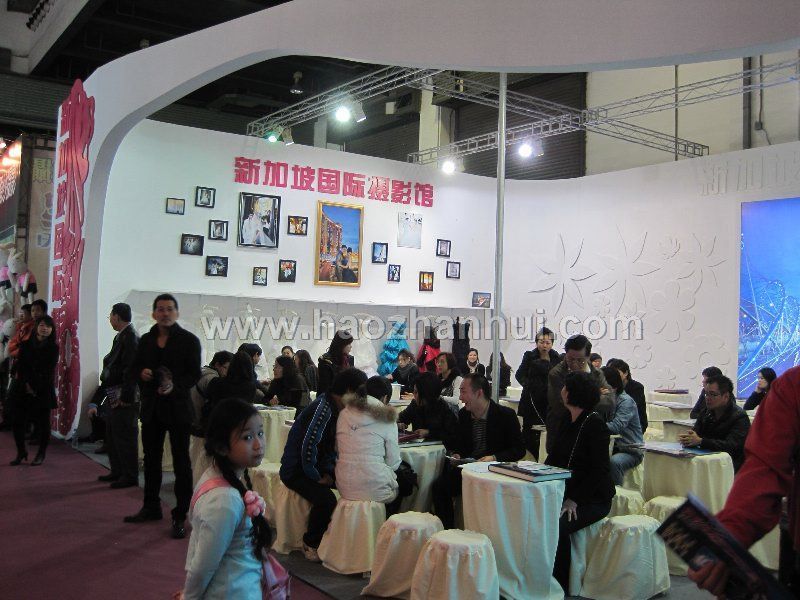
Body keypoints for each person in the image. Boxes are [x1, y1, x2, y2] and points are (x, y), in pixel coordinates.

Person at [689, 365, 800, 596]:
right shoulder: (791, 386)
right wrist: (729, 537)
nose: (708, 398)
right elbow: (765, 469)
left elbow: (762, 468)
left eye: (712, 394)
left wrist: (729, 536)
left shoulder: (788, 387)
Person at [124, 294, 202, 540]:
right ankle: (151, 506)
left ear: (177, 313)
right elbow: (134, 367)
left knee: (181, 463)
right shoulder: (146, 340)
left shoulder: (189, 341)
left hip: (178, 409)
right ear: (153, 314)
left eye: (169, 309)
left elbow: (194, 374)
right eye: (160, 309)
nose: (165, 313)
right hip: (152, 408)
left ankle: (180, 515)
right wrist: (142, 373)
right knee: (151, 460)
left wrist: (174, 386)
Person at [181, 398, 270, 599]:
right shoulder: (224, 501)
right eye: (247, 437)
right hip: (231, 591)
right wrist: (189, 596)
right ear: (221, 447)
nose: (259, 445)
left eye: (260, 433)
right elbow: (203, 566)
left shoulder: (217, 477)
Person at [279, 368, 367, 561]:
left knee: (356, 485)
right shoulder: (322, 409)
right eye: (359, 393)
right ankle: (310, 542)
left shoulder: (337, 408)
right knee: (326, 500)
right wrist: (319, 477)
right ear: (349, 390)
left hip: (318, 467)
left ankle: (347, 545)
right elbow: (308, 449)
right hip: (297, 470)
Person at [545, 371, 615, 591]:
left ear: (572, 393)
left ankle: (561, 584)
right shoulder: (567, 419)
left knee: (558, 525)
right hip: (566, 491)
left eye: (565, 387)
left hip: (592, 498)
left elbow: (599, 470)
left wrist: (574, 499)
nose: (561, 390)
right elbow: (554, 456)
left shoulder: (595, 424)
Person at [432, 374, 525, 529]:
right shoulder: (464, 415)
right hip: (469, 469)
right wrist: (457, 454)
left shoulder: (505, 415)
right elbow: (460, 444)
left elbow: (519, 450)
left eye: (463, 392)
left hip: (495, 471)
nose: (460, 397)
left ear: (479, 393)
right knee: (439, 487)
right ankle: (447, 530)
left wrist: (494, 457)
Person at [335, 376, 402, 516]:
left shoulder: (344, 413)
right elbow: (393, 462)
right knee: (403, 484)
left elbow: (338, 448)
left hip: (344, 484)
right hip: (376, 488)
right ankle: (383, 525)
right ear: (385, 398)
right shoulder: (387, 419)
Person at [90, 303, 140, 488]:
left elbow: (131, 370)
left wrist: (126, 397)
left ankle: (129, 475)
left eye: (110, 316)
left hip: (124, 395)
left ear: (117, 316)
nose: (110, 319)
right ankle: (117, 471)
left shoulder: (131, 338)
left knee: (124, 436)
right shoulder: (122, 337)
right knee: (112, 434)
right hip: (114, 392)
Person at [545, 334, 615, 453]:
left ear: (588, 356)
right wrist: (596, 394)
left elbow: (610, 402)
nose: (575, 364)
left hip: (590, 431)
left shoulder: (597, 373)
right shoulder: (556, 374)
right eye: (570, 359)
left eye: (580, 360)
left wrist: (578, 398)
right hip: (562, 430)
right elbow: (561, 406)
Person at [9, 316, 58, 466]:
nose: (45, 329)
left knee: (43, 424)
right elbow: (21, 367)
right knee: (17, 421)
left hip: (43, 389)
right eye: (42, 325)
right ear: (36, 327)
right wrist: (27, 384)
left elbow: (49, 370)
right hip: (23, 387)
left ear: (52, 330)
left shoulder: (53, 348)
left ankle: (41, 454)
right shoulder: (25, 345)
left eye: (48, 326)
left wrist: (35, 387)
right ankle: (21, 451)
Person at [678, 374, 750, 471]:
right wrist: (689, 439)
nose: (708, 398)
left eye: (713, 394)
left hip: (730, 466)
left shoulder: (739, 417)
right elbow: (696, 434)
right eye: (706, 394)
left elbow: (732, 446)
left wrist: (701, 441)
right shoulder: (706, 413)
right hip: (707, 461)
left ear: (726, 396)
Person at [189, 350, 233, 483]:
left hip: (192, 422)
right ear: (218, 365)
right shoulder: (212, 379)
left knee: (195, 459)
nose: (228, 372)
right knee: (203, 464)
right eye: (226, 368)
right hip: (202, 424)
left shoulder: (201, 373)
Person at [516, 327, 560, 458]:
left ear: (552, 343)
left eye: (547, 343)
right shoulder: (529, 356)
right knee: (529, 434)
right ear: (536, 342)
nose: (544, 345)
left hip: (549, 401)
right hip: (531, 401)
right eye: (541, 342)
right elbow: (519, 375)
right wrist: (529, 386)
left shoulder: (556, 357)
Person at [601, 366, 644, 486]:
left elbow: (616, 426)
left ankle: (615, 493)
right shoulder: (603, 400)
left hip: (629, 450)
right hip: (608, 446)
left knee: (614, 462)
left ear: (613, 387)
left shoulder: (626, 401)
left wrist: (594, 425)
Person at [397, 371, 457, 445]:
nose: (413, 394)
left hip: (440, 449)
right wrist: (399, 424)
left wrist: (429, 432)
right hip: (418, 448)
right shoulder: (415, 404)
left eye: (416, 392)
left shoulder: (445, 409)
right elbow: (401, 418)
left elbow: (451, 434)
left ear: (426, 394)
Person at [606, 358, 648, 433]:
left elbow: (628, 408)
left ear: (626, 373)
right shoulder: (611, 388)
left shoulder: (636, 388)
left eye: (617, 373)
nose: (614, 376)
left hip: (635, 426)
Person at [317, 330, 354, 395]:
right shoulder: (325, 361)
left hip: (347, 396)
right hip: (330, 396)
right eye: (349, 344)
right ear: (341, 345)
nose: (351, 346)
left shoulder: (350, 359)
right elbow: (324, 387)